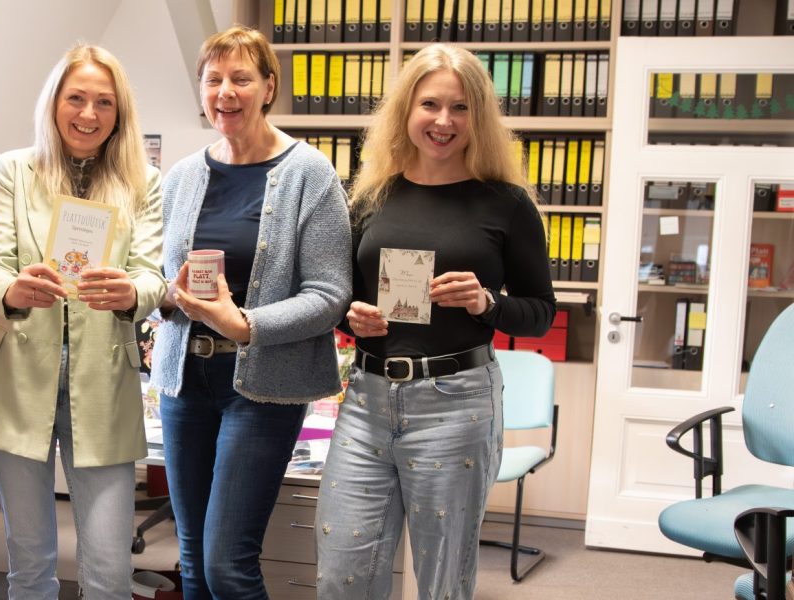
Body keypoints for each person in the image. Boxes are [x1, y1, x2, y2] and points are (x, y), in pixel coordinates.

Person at [316, 43, 556, 599]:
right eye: (430, 105)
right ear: (406, 110)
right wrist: (352, 318)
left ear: (479, 117)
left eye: (461, 107)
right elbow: (345, 296)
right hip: (368, 400)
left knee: (441, 582)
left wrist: (486, 303)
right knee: (341, 573)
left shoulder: (507, 204)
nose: (443, 121)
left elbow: (540, 314)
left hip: (457, 403)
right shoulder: (372, 196)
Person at [150, 26, 353, 599]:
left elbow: (328, 293)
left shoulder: (310, 174)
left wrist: (246, 325)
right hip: (185, 380)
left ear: (269, 87)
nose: (225, 92)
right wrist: (171, 294)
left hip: (262, 387)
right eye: (213, 80)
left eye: (241, 78)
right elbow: (161, 279)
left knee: (226, 564)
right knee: (190, 558)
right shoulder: (184, 175)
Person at [0, 44, 165, 600]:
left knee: (108, 570)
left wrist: (131, 294)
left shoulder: (142, 180)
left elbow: (152, 276)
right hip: (18, 377)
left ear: (119, 113)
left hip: (103, 382)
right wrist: (12, 290)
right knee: (29, 564)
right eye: (76, 98)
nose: (89, 114)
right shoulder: (14, 168)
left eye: (104, 102)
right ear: (54, 103)